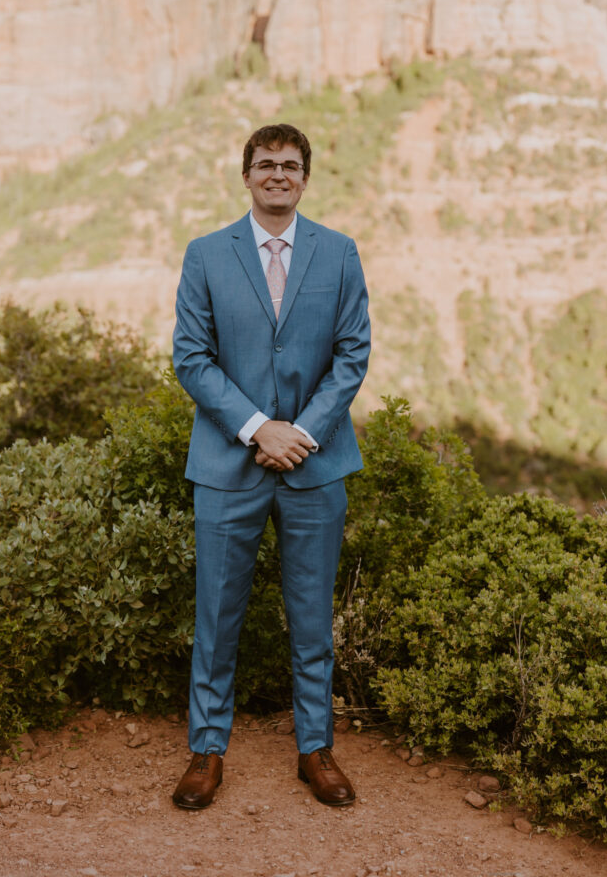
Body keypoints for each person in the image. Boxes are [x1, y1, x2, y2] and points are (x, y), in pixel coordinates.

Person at [171, 122, 370, 809]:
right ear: (246, 175)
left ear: (305, 177)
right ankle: (206, 751)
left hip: (315, 466)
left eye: (289, 164)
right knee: (216, 615)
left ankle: (315, 750)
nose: (277, 174)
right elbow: (190, 358)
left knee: (312, 617)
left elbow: (352, 356)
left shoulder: (339, 254)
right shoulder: (205, 255)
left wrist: (301, 435)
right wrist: (260, 429)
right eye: (265, 164)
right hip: (228, 463)